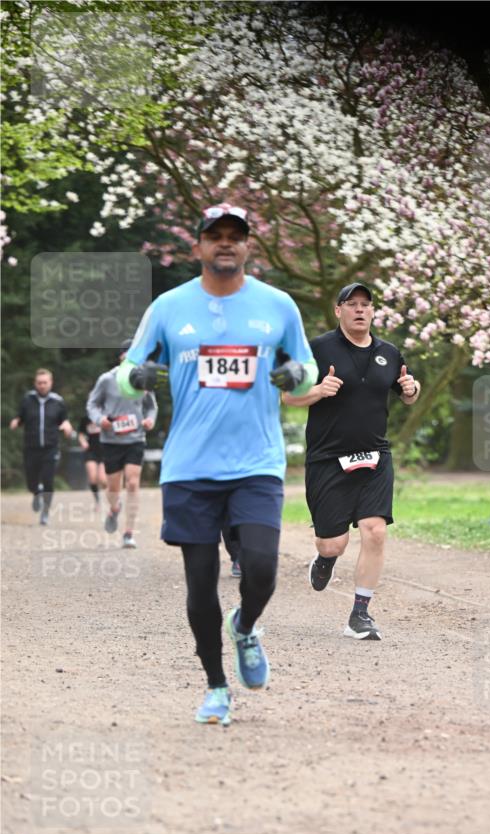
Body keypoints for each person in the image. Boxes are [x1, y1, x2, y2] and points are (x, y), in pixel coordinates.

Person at [116, 203, 317, 725]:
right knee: (200, 584)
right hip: (190, 467)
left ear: (248, 246)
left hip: (257, 461)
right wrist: (135, 379)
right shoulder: (168, 306)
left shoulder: (278, 306)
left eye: (236, 236)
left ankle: (246, 626)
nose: (225, 243)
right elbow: (126, 368)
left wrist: (295, 372)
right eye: (215, 236)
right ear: (198, 247)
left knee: (264, 568)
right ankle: (216, 687)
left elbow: (307, 365)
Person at [282, 282, 420, 640]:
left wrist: (411, 391)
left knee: (375, 532)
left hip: (376, 456)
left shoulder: (389, 352)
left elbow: (405, 391)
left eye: (366, 304)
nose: (360, 310)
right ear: (338, 311)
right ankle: (325, 559)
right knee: (333, 543)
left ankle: (360, 615)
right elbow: (288, 397)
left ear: (373, 312)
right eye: (351, 304)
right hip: (327, 458)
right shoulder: (317, 349)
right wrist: (317, 392)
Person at [86, 340, 158, 548]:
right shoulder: (107, 379)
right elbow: (92, 404)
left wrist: (150, 420)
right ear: (120, 357)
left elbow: (151, 407)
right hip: (111, 440)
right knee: (113, 487)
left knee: (133, 483)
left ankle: (128, 533)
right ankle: (114, 508)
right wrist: (100, 420)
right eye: (127, 355)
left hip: (135, 438)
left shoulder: (143, 379)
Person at [9, 368, 74, 525]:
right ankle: (36, 492)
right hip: (31, 447)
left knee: (48, 480)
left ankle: (45, 512)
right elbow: (20, 417)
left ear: (50, 383)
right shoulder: (27, 400)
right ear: (35, 384)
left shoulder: (58, 401)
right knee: (31, 482)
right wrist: (16, 421)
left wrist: (67, 426)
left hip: (50, 448)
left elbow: (64, 420)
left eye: (45, 382)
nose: (42, 386)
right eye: (39, 383)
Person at [77, 411, 107, 507]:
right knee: (92, 478)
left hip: (104, 450)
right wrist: (83, 442)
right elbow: (81, 434)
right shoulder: (86, 417)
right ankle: (97, 500)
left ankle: (111, 496)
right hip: (91, 451)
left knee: (102, 479)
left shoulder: (107, 415)